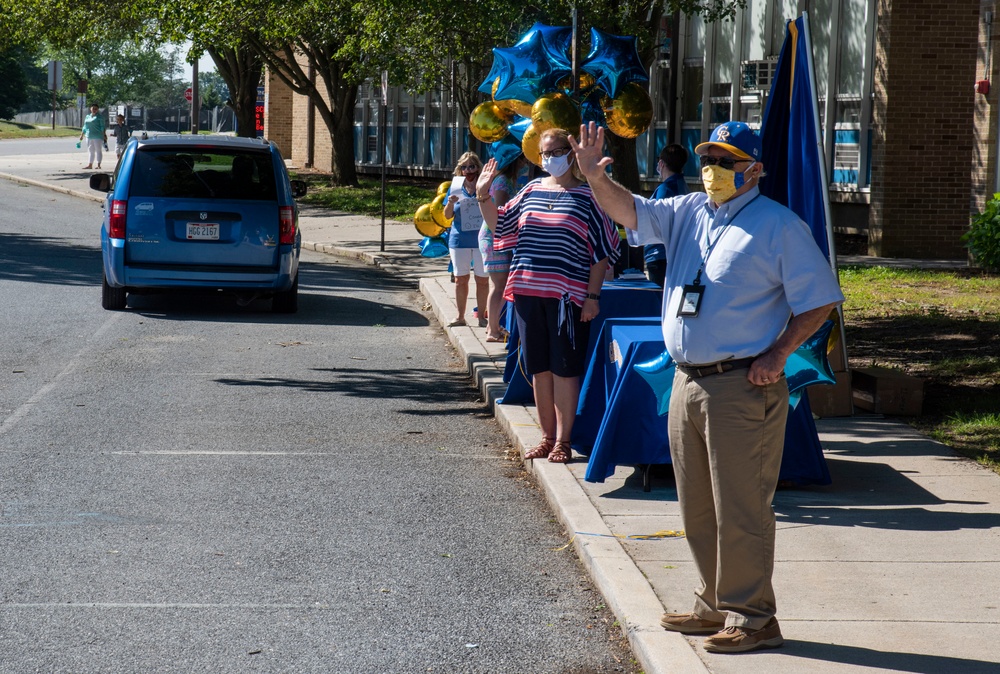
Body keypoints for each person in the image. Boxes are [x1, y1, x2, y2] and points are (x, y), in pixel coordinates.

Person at [570, 120, 844, 653]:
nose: (713, 170)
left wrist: (778, 354)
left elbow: (819, 300)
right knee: (697, 504)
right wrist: (590, 176)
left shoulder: (778, 226)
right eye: (709, 158)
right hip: (688, 380)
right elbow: (631, 211)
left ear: (755, 169)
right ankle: (715, 603)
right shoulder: (689, 212)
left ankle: (754, 616)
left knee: (742, 506)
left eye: (727, 160)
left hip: (742, 383)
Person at [477, 128, 621, 464]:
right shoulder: (529, 191)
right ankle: (546, 437)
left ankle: (564, 440)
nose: (549, 159)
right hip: (527, 293)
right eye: (544, 153)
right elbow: (501, 226)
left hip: (566, 300)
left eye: (555, 151)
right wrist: (483, 196)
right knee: (539, 369)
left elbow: (602, 253)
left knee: (564, 370)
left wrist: (592, 297)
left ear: (570, 154)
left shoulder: (588, 197)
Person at [478, 151, 524, 342]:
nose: (526, 162)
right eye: (523, 158)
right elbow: (502, 209)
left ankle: (493, 326)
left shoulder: (505, 180)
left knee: (499, 285)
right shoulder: (503, 181)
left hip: (497, 238)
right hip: (494, 238)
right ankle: (492, 330)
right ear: (516, 160)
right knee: (499, 286)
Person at [443, 152, 490, 327]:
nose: (468, 170)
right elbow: (447, 216)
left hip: (482, 239)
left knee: (483, 280)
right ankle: (460, 316)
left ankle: (482, 317)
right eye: (464, 167)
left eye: (472, 166)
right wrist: (449, 203)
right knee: (460, 279)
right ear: (460, 169)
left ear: (478, 167)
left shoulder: (485, 185)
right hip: (459, 240)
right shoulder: (455, 186)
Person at [645, 144, 689, 287]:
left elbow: (659, 218)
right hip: (673, 253)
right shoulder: (682, 185)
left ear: (661, 163)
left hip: (660, 255)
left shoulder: (666, 189)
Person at [79, 104, 107, 170]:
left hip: (97, 136)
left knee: (98, 150)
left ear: (97, 110)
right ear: (90, 109)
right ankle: (90, 164)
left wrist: (104, 135)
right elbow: (85, 126)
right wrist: (82, 134)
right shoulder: (87, 116)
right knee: (91, 151)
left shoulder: (100, 117)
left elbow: (102, 127)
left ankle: (98, 164)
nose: (94, 110)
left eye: (96, 109)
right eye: (93, 108)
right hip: (89, 136)